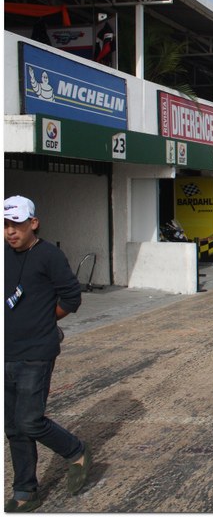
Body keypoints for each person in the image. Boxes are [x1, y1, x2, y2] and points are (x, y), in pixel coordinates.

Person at [4, 196, 92, 511]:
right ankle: (25, 491)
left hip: (37, 351)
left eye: (16, 224)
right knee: (13, 427)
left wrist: (44, 319)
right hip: (7, 352)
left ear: (33, 223)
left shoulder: (49, 255)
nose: (10, 232)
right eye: (5, 225)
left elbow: (71, 296)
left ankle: (75, 450)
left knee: (29, 421)